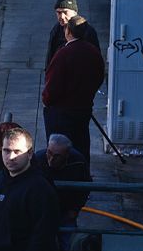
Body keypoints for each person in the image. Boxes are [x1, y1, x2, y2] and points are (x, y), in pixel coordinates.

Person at [42, 14, 107, 161]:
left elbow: (52, 84)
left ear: (68, 32)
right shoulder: (93, 52)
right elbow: (99, 76)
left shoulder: (63, 54)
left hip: (61, 111)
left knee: (58, 149)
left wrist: (47, 100)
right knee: (81, 145)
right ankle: (81, 170)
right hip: (83, 108)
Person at [44, 0, 102, 69]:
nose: (62, 17)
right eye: (58, 12)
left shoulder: (88, 31)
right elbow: (50, 55)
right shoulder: (57, 29)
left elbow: (96, 60)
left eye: (65, 12)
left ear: (75, 12)